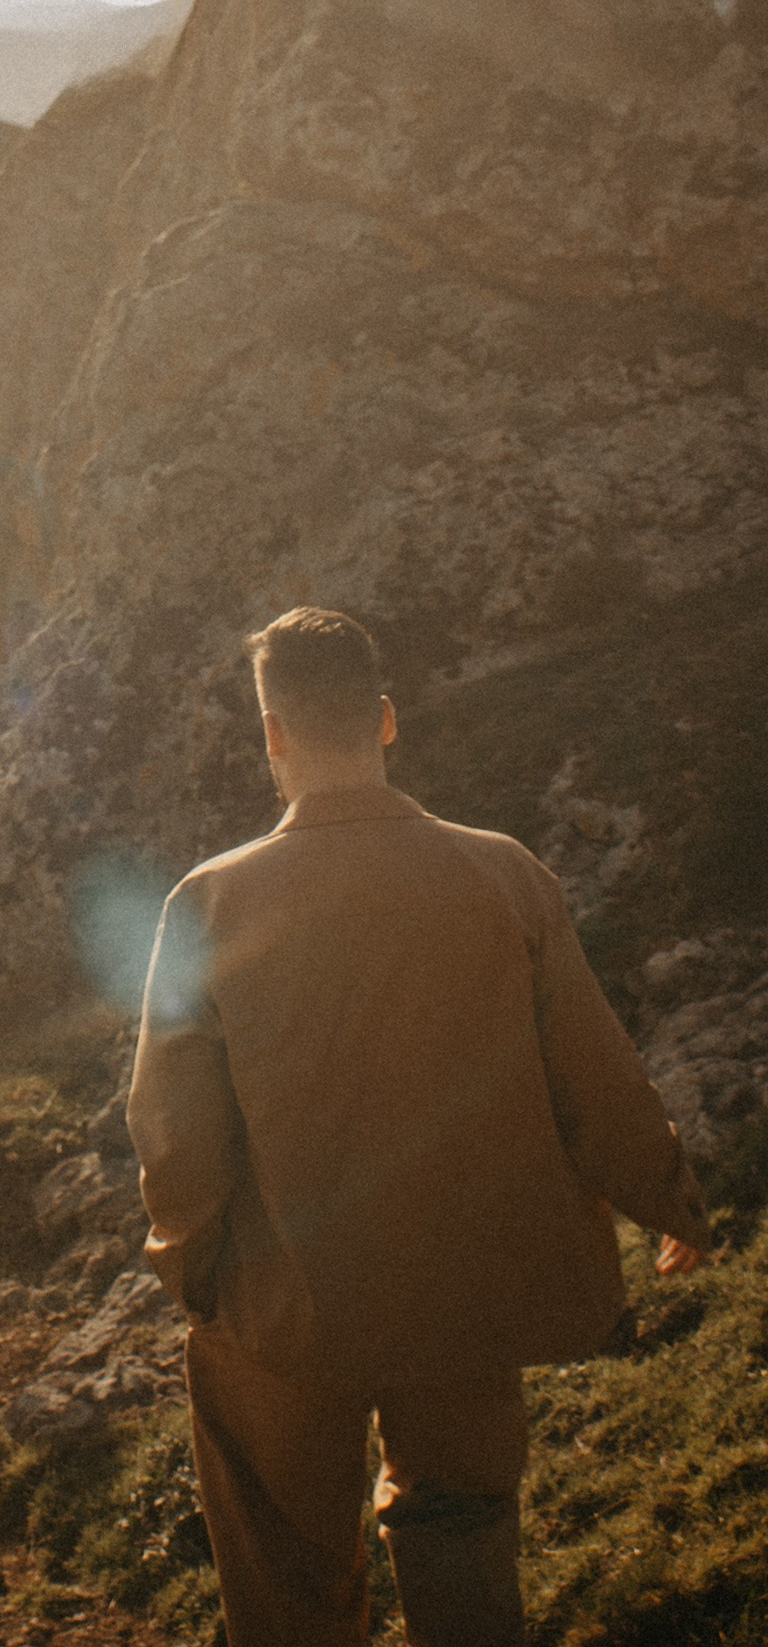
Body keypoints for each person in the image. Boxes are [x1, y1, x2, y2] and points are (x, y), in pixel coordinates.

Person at [128, 606, 712, 1647]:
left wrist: (193, 1270)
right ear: (385, 719)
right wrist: (663, 1196)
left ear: (269, 733)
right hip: (463, 1283)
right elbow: (589, 1066)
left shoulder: (207, 903)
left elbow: (173, 1130)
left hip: (282, 1302)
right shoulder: (503, 874)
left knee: (284, 1562)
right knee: (462, 1527)